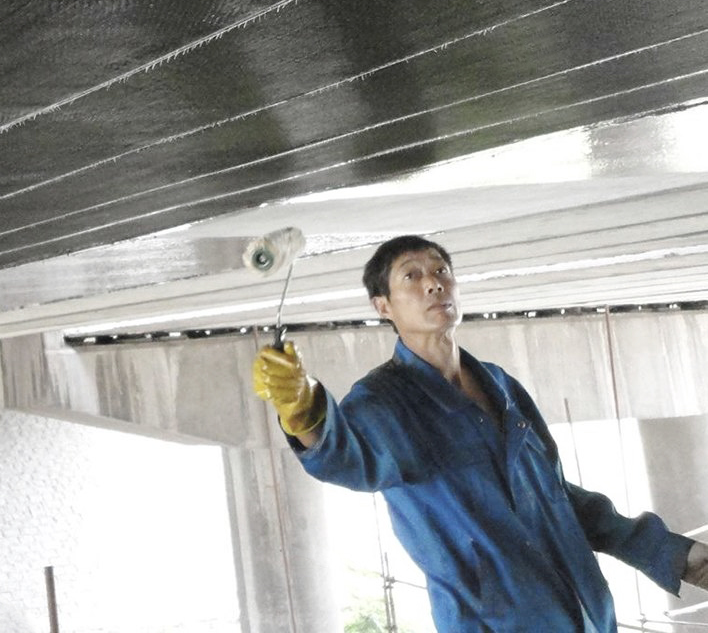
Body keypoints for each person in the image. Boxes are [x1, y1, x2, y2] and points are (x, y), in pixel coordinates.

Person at [252, 234, 708, 632]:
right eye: (411, 276)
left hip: (586, 616)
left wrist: (675, 555)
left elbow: (557, 498)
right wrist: (303, 406)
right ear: (383, 305)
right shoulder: (384, 402)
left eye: (441, 270)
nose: (434, 283)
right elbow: (347, 457)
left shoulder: (500, 385)